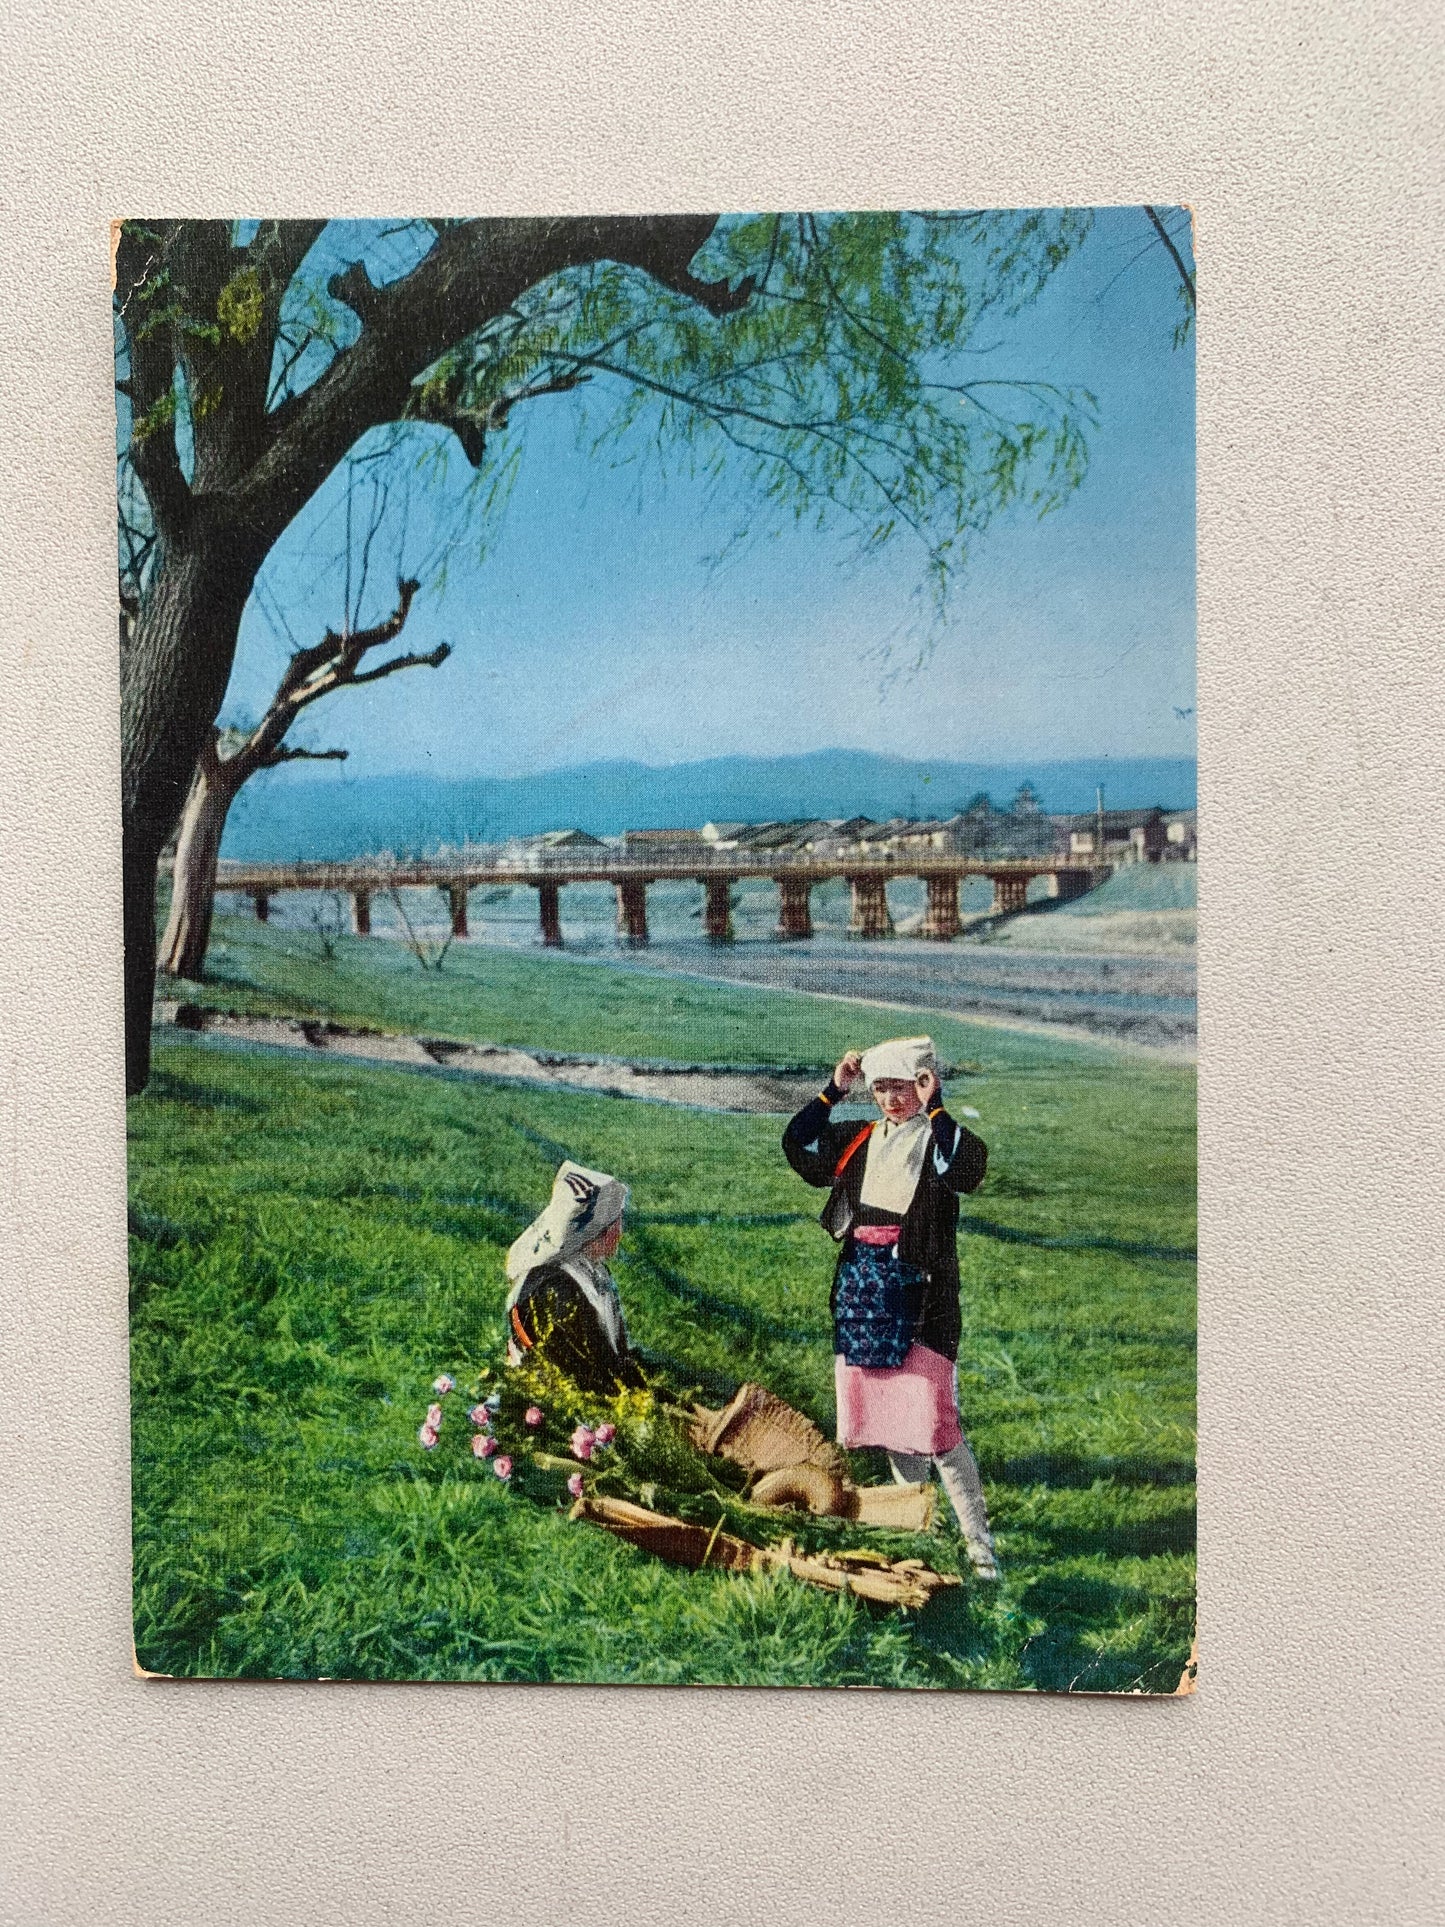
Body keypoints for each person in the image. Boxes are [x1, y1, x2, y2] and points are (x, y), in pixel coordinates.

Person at [782, 1035, 1000, 1578]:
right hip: (863, 1290)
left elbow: (968, 1171)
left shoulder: (937, 1142)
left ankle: (981, 1551)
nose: (890, 1100)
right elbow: (796, 1145)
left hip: (924, 1300)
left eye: (902, 1089)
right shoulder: (858, 1138)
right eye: (881, 1089)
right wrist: (833, 1092)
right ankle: (921, 1532)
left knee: (936, 1425)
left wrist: (938, 1106)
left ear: (922, 1087)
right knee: (890, 1422)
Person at [504, 1160, 648, 1396]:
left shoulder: (596, 1275)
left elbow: (616, 1358)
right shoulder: (552, 1290)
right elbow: (568, 1371)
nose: (620, 1233)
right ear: (595, 1232)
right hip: (552, 1405)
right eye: (616, 1224)